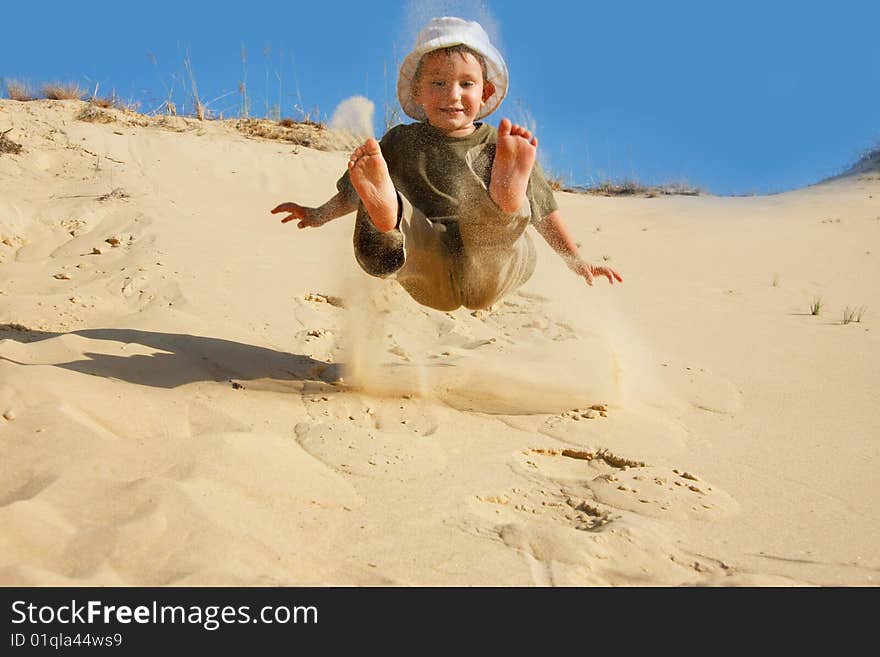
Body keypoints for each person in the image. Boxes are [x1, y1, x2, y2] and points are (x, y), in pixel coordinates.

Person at [271, 16, 622, 311]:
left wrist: (576, 259)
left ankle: (502, 203)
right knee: (398, 219)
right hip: (429, 264)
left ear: (485, 93)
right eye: (438, 83)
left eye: (465, 83)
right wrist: (317, 214)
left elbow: (544, 211)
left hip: (486, 267)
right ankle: (389, 214)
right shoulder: (399, 142)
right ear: (418, 92)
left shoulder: (501, 147)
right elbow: (352, 194)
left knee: (497, 231)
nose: (452, 94)